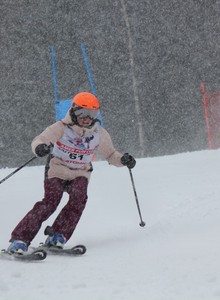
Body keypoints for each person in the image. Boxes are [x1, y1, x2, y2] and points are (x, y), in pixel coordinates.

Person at [7, 92, 136, 254]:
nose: (86, 118)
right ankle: (20, 239)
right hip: (57, 169)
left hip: (80, 172)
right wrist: (40, 147)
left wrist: (123, 160)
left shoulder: (99, 134)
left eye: (92, 114)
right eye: (82, 113)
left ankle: (58, 235)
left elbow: (111, 155)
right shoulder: (61, 127)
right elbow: (39, 140)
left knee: (78, 200)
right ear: (74, 110)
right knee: (50, 202)